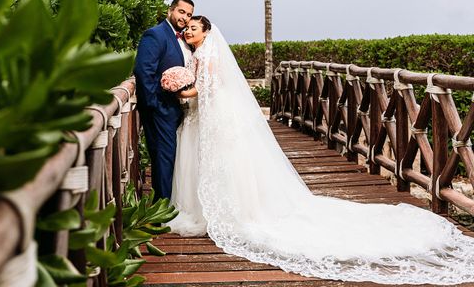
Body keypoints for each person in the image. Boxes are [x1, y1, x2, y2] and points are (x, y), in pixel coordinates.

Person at [168, 16, 474, 285]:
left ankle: (231, 213)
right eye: (188, 29)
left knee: (224, 160)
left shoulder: (208, 55)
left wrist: (178, 89)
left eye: (194, 28)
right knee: (215, 161)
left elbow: (206, 87)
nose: (189, 32)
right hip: (205, 114)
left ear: (207, 32)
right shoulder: (197, 54)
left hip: (214, 113)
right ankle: (212, 209)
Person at [133, 0, 194, 200]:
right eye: (182, 12)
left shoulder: (184, 40)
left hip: (177, 109)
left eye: (189, 15)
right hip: (160, 109)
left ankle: (171, 204)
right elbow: (144, 71)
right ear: (171, 10)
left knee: (172, 158)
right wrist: (154, 105)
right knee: (163, 159)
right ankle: (162, 209)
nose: (185, 18)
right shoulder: (156, 34)